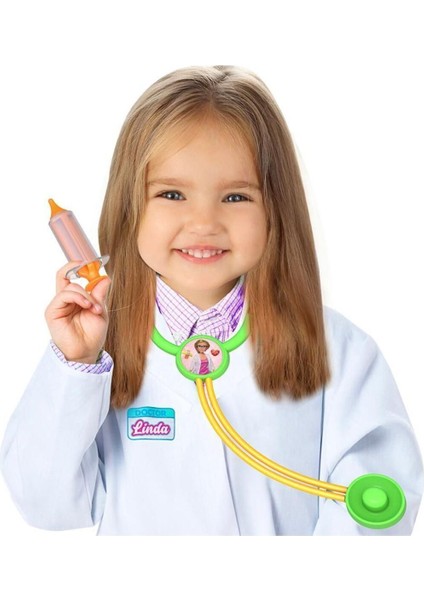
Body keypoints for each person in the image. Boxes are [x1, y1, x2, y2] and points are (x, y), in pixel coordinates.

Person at [1, 65, 423, 535]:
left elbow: (377, 500)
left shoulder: (338, 349)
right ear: (129, 208)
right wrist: (75, 366)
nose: (203, 222)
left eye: (236, 197)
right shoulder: (97, 350)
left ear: (276, 211)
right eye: (172, 193)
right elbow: (47, 504)